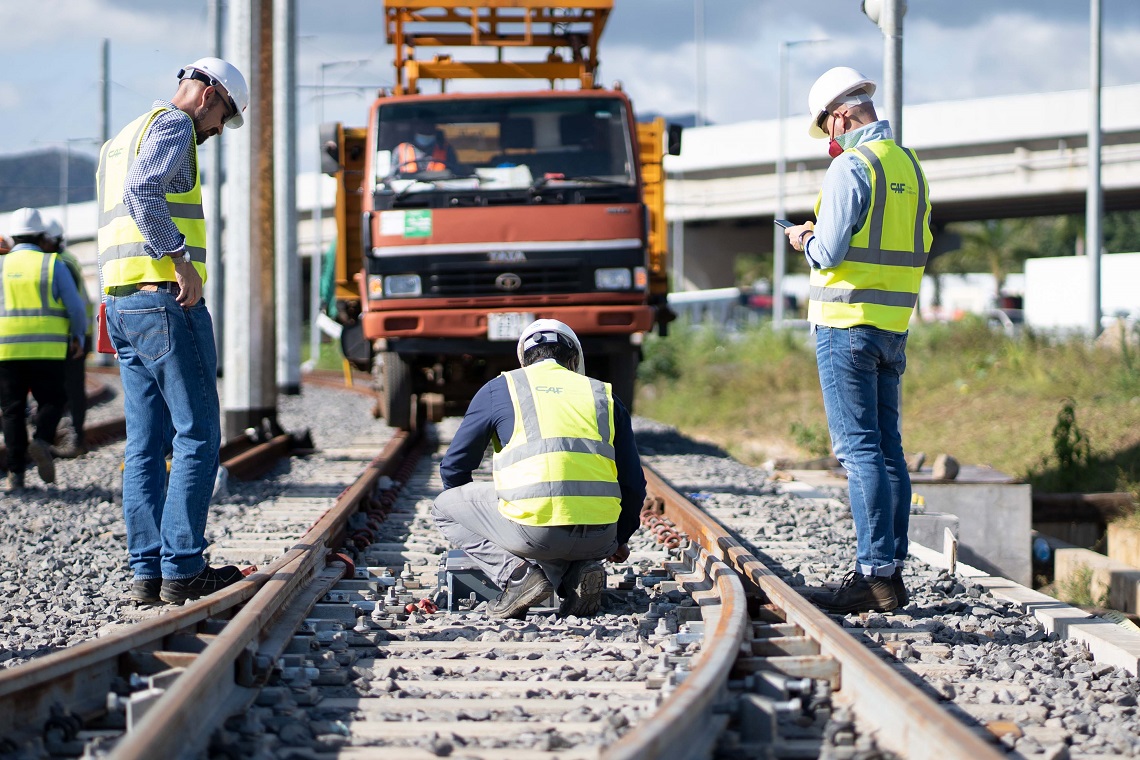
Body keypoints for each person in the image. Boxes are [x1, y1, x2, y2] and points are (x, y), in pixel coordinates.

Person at [96, 57, 249, 606]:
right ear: (209, 96)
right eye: (222, 118)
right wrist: (181, 260)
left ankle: (147, 570)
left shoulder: (121, 138)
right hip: (164, 299)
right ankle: (182, 565)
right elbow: (144, 193)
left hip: (122, 302)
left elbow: (115, 212)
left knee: (144, 444)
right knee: (198, 432)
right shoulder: (175, 125)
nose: (214, 132)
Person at [784, 67, 932, 615]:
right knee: (888, 449)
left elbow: (828, 252)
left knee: (859, 451)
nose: (831, 138)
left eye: (828, 128)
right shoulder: (909, 166)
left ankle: (872, 576)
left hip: (845, 326)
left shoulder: (851, 166)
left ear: (842, 117)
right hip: (892, 326)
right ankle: (889, 572)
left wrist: (803, 237)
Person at [433, 319, 646, 619]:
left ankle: (518, 576)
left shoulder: (501, 388)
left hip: (534, 536)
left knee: (444, 507)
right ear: (573, 359)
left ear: (524, 358)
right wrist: (619, 539)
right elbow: (634, 485)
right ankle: (577, 572)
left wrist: (490, 526)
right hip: (600, 538)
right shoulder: (605, 395)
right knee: (563, 537)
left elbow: (454, 470)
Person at [0, 208, 87, 492]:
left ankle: (16, 475)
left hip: (7, 349)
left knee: (11, 411)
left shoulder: (2, 265)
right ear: (41, 236)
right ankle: (41, 439)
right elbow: (74, 306)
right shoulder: (51, 264)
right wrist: (77, 336)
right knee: (53, 400)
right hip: (47, 348)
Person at [43, 219, 93, 457]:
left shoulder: (60, 262)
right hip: (74, 332)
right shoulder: (66, 259)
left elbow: (73, 305)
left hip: (74, 334)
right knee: (67, 387)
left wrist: (77, 336)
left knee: (71, 388)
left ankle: (75, 439)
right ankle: (69, 436)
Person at [393, 117, 461, 175]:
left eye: (429, 127)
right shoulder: (401, 150)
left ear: (434, 129)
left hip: (440, 189)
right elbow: (391, 176)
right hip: (408, 189)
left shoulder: (446, 149)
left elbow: (456, 172)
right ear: (415, 129)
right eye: (422, 128)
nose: (426, 129)